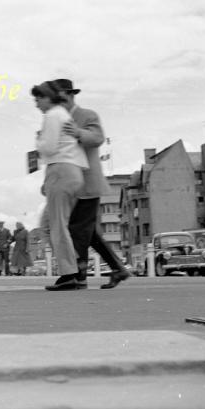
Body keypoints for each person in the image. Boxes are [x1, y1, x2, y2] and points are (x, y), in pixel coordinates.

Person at [53, 78, 134, 289]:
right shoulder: (57, 119)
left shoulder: (88, 115)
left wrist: (78, 133)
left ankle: (78, 276)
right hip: (69, 185)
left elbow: (97, 138)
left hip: (87, 183)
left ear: (71, 96)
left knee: (78, 229)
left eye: (61, 98)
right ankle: (118, 269)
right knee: (88, 233)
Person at [32, 80, 88, 291]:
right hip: (72, 171)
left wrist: (38, 141)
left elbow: (48, 147)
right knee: (58, 224)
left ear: (47, 97)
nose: (37, 104)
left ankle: (69, 274)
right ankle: (73, 269)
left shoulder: (52, 115)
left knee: (56, 225)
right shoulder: (63, 114)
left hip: (60, 170)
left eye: (38, 99)